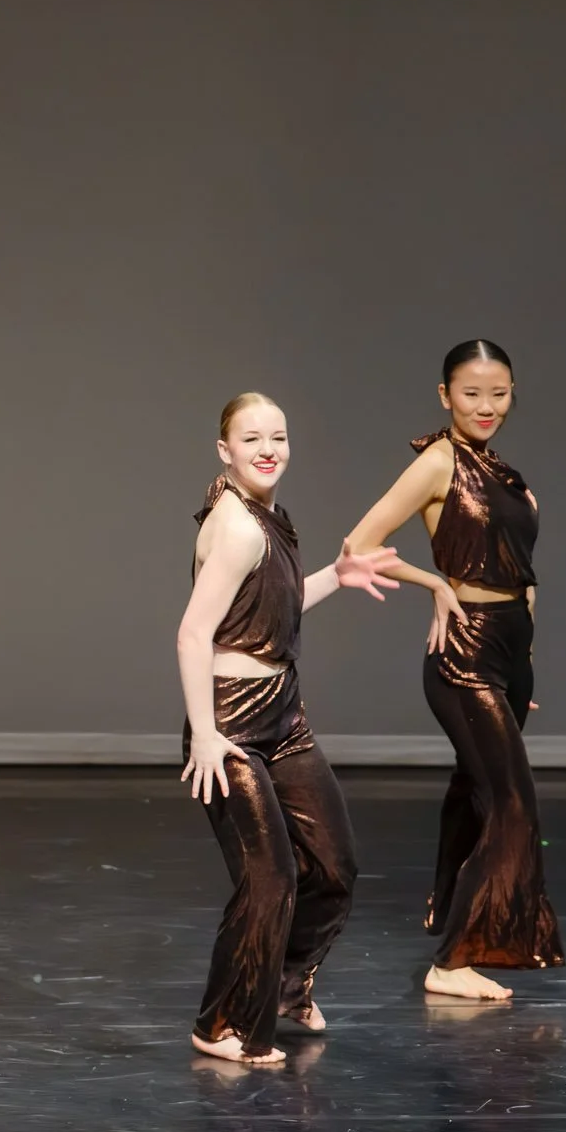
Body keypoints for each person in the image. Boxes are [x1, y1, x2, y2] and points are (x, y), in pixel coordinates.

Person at [178, 392, 397, 1063]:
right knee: (270, 878)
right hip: (232, 723)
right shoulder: (238, 527)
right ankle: (222, 1024)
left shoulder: (267, 517)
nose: (268, 449)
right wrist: (205, 733)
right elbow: (193, 633)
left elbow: (272, 603)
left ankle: (285, 983)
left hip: (283, 713)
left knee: (334, 865)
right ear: (225, 451)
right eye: (252, 439)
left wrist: (337, 574)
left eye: (278, 436)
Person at [342, 340, 562, 1001]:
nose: (486, 406)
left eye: (499, 393)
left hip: (509, 654)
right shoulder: (439, 462)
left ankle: (454, 915)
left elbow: (524, 577)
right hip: (465, 651)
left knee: (478, 791)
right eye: (471, 393)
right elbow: (359, 545)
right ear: (445, 396)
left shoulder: (507, 474)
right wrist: (435, 583)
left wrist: (525, 662)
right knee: (512, 803)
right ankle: (453, 961)